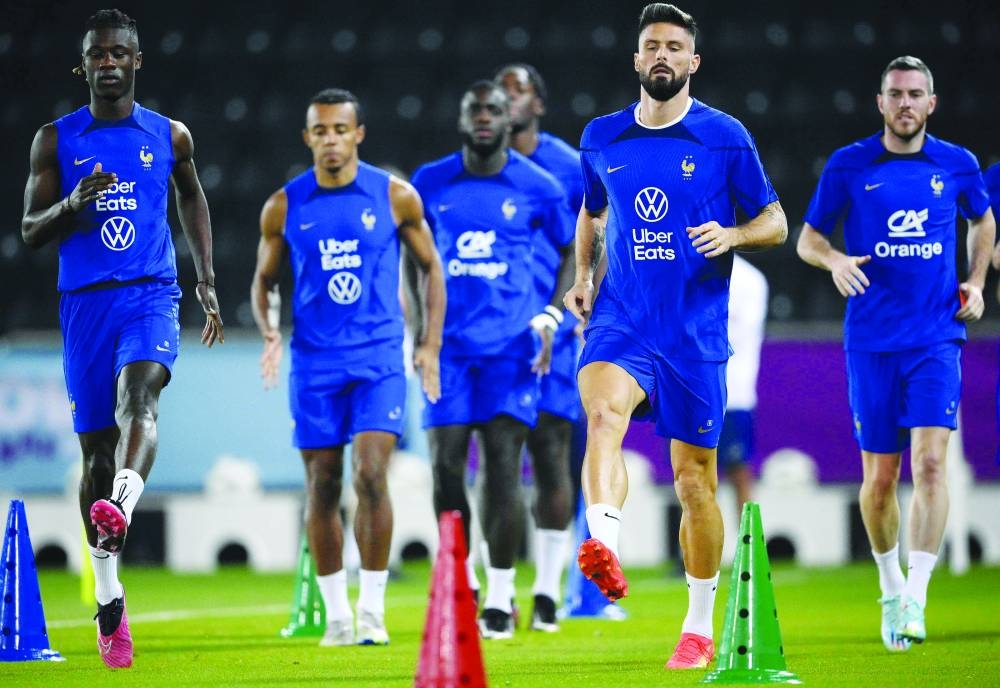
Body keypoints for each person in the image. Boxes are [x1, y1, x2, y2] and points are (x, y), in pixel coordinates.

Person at [562, 3, 787, 669]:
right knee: (602, 415)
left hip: (692, 336)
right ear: (636, 60)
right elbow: (590, 208)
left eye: (674, 46)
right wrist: (582, 274)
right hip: (621, 320)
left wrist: (735, 234)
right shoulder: (602, 136)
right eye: (651, 45)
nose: (661, 54)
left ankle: (697, 624)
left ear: (692, 62)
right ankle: (602, 543)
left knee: (695, 482)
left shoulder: (724, 136)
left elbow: (775, 220)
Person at [19, 9, 223, 670]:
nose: (108, 64)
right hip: (85, 305)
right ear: (84, 66)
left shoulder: (168, 135)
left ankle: (123, 506)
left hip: (149, 293)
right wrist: (72, 206)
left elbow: (192, 197)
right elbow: (29, 229)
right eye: (97, 56)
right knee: (94, 453)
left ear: (137, 61)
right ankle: (109, 599)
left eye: (119, 54)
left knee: (143, 399)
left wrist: (208, 279)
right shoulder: (56, 140)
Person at [797, 56, 994, 653]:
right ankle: (888, 587)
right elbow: (808, 238)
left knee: (931, 465)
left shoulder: (957, 164)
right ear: (879, 103)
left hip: (936, 337)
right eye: (895, 94)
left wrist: (978, 281)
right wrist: (834, 262)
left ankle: (917, 595)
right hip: (870, 340)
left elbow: (983, 223)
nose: (905, 103)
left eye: (915, 94)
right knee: (880, 478)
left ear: (931, 103)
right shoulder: (850, 164)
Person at [251, 88, 445, 647]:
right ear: (307, 137)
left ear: (358, 134)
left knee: (369, 473)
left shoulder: (395, 196)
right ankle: (336, 615)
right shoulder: (284, 206)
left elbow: (432, 269)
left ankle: (373, 611)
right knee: (322, 482)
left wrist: (428, 344)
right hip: (314, 363)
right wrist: (268, 329)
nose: (331, 139)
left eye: (341, 129)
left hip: (379, 356)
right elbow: (264, 281)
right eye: (321, 131)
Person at [411, 80, 573, 640]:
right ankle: (464, 578)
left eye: (494, 110)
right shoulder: (429, 183)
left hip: (512, 351)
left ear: (510, 121)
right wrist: (421, 335)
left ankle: (501, 596)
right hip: (449, 351)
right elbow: (415, 263)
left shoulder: (540, 186)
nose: (484, 117)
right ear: (462, 118)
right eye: (474, 108)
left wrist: (553, 313)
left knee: (504, 465)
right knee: (445, 467)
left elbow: (575, 246)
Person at [494, 62, 583, 633]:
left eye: (520, 89)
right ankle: (497, 593)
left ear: (540, 104)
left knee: (551, 452)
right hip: (493, 338)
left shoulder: (569, 165)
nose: (508, 98)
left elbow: (592, 238)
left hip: (554, 329)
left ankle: (548, 591)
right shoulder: (476, 167)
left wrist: (573, 308)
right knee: (499, 462)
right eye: (500, 90)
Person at [718, 255, 768, 516]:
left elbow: (736, 332)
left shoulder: (749, 279)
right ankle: (689, 553)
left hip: (734, 393)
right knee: (688, 473)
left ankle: (747, 545)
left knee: (739, 471)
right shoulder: (686, 265)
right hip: (690, 393)